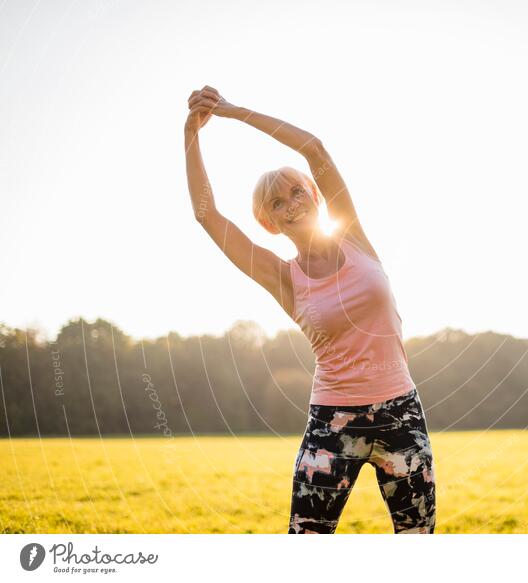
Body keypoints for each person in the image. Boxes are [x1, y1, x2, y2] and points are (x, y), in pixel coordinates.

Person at [183, 86, 436, 534]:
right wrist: (191, 134)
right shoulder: (284, 278)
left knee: (417, 537)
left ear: (315, 196)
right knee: (306, 538)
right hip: (331, 422)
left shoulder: (355, 238)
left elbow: (313, 147)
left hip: (401, 413)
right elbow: (208, 217)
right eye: (276, 203)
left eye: (296, 192)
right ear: (269, 222)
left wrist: (231, 112)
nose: (291, 204)